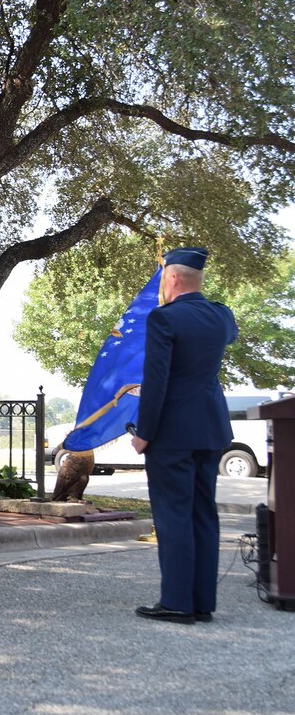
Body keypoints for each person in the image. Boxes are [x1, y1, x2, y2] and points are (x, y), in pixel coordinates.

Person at [130, 246, 239, 624]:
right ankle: (201, 602)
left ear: (173, 278)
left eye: (164, 277)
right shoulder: (223, 316)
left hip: (172, 433)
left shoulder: (164, 319)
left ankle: (177, 601)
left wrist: (144, 433)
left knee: (173, 514)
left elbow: (157, 380)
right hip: (210, 429)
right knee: (202, 514)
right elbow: (224, 341)